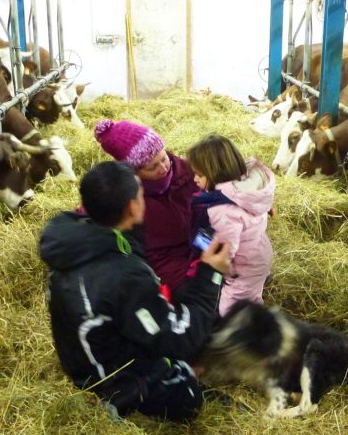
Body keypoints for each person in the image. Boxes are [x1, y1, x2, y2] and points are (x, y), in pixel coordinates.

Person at [39, 161, 231, 421]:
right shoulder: (123, 275)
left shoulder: (80, 237)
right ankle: (137, 396)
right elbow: (178, 337)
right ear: (132, 207)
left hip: (85, 354)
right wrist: (211, 274)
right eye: (141, 193)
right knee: (188, 396)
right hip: (107, 381)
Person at [94, 119, 199, 293]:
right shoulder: (126, 195)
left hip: (200, 244)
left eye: (164, 158)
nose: (164, 168)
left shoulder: (189, 170)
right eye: (152, 167)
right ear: (134, 172)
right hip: (165, 261)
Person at [186, 134, 276, 316]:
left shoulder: (222, 210)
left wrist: (207, 252)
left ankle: (250, 332)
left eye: (200, 175)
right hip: (258, 250)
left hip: (245, 266)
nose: (195, 179)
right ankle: (257, 311)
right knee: (251, 296)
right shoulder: (244, 188)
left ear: (215, 173)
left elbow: (226, 251)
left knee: (231, 310)